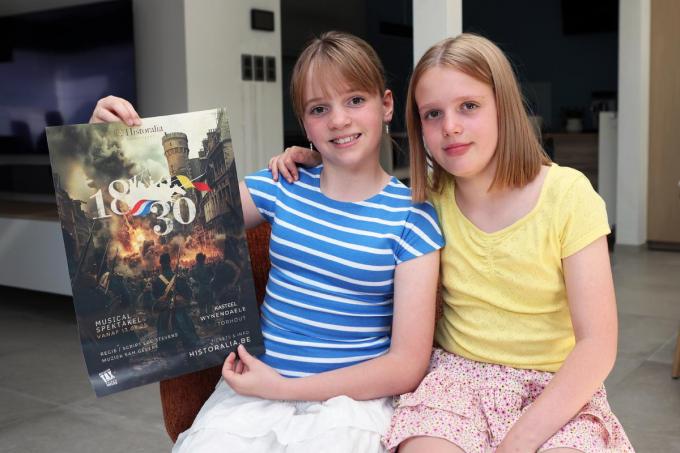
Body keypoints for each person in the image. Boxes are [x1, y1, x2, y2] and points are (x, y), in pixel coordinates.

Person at [270, 33, 633, 453]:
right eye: (433, 114)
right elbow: (363, 190)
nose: (451, 127)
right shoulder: (425, 204)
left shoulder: (568, 195)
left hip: (555, 388)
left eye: (469, 106)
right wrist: (320, 159)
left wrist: (517, 443)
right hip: (456, 383)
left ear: (504, 106)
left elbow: (597, 346)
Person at [89, 31, 443, 452]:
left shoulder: (412, 216)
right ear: (305, 123)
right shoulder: (283, 185)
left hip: (350, 404)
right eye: (319, 108)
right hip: (254, 394)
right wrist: (102, 144)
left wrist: (285, 389)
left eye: (354, 100)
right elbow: (165, 222)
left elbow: (406, 365)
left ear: (385, 105)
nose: (339, 120)